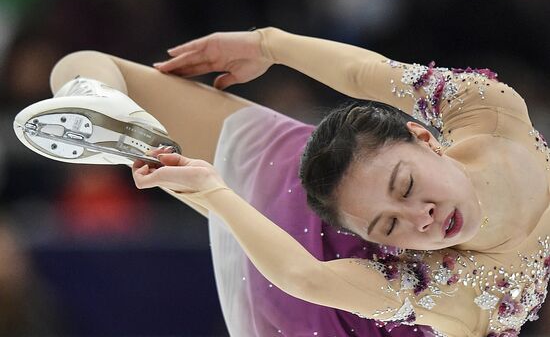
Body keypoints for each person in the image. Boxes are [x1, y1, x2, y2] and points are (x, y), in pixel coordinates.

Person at [13, 28, 549, 337]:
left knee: (93, 64)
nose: (421, 217)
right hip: (307, 194)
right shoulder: (489, 116)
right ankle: (98, 98)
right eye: (394, 220)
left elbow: (309, 280)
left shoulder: (490, 112)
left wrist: (267, 43)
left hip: (334, 297)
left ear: (426, 138)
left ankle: (102, 93)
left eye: (407, 188)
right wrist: (265, 46)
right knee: (90, 64)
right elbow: (369, 75)